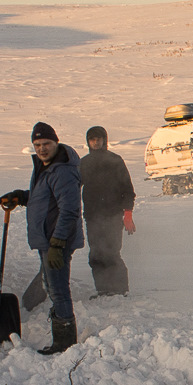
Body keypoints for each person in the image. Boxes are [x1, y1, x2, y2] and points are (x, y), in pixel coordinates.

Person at [0, 122, 84, 354]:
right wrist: (21, 197)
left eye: (46, 144)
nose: (42, 149)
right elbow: (45, 199)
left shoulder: (62, 170)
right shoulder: (46, 167)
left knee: (58, 290)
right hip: (49, 239)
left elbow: (69, 210)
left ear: (56, 143)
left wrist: (57, 243)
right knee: (53, 286)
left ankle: (65, 343)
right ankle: (63, 338)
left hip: (57, 241)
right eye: (37, 145)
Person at [79, 126, 136, 295]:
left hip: (113, 215)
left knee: (111, 253)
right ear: (88, 142)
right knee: (96, 254)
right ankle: (103, 290)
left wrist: (128, 214)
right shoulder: (84, 163)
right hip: (92, 217)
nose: (96, 142)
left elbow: (128, 190)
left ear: (105, 140)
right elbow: (73, 187)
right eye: (92, 139)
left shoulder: (115, 161)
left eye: (99, 139)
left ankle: (120, 290)